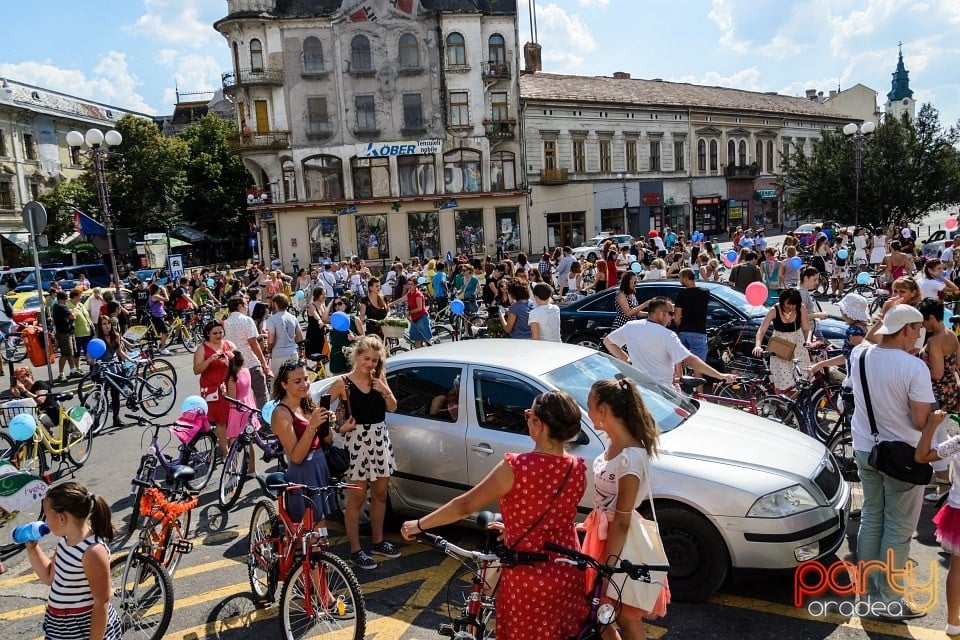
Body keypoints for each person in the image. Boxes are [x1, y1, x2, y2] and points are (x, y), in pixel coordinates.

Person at [400, 390, 588, 640]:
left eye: (528, 414)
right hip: (568, 572)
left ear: (538, 424)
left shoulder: (517, 467)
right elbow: (555, 518)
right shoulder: (577, 469)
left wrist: (419, 524)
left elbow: (464, 506)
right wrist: (515, 528)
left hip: (528, 576)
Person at [849, 305, 939, 620]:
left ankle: (867, 595)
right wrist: (937, 418)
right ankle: (886, 600)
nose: (919, 336)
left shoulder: (858, 355)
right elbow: (919, 421)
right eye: (916, 330)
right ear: (905, 330)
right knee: (898, 529)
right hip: (902, 455)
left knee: (872, 519)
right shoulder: (914, 368)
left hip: (865, 448)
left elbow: (873, 342)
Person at [583, 377, 670, 638]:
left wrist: (608, 567)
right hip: (601, 534)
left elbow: (621, 520)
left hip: (617, 543)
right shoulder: (614, 444)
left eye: (589, 406)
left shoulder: (630, 458)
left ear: (603, 411)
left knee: (623, 614)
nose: (586, 413)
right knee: (601, 611)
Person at [329, 336, 399, 570]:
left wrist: (384, 390)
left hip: (379, 439)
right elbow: (322, 410)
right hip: (357, 441)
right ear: (356, 356)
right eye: (366, 358)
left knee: (380, 494)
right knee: (357, 498)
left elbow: (392, 407)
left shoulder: (379, 379)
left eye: (374, 360)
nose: (369, 364)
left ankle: (378, 541)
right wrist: (339, 427)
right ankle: (355, 550)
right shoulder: (343, 384)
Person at [25, 481, 123, 640]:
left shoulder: (92, 552)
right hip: (61, 626)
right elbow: (50, 577)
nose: (45, 522)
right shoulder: (65, 541)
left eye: (46, 516)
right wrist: (33, 549)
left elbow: (101, 603)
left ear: (62, 518)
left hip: (83, 628)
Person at [603, 297, 735, 388]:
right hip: (662, 391)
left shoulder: (631, 326)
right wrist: (720, 375)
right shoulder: (667, 335)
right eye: (671, 313)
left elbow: (608, 342)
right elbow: (691, 360)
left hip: (640, 388)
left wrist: (626, 360)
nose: (673, 317)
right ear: (660, 313)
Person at [916, 413, 960, 635]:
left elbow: (921, 456)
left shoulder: (958, 443)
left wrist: (931, 425)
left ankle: (953, 622)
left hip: (958, 511)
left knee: (957, 567)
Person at [919, 298, 960, 500]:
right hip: (950, 392)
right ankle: (943, 483)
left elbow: (936, 373)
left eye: (924, 321)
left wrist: (917, 364)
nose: (923, 325)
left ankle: (944, 488)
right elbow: (956, 365)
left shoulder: (934, 341)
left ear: (932, 318)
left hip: (937, 394)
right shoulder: (951, 334)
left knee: (932, 439)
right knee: (941, 436)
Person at [752, 288, 812, 392]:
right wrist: (758, 345)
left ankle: (792, 406)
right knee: (783, 383)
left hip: (798, 346)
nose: (791, 307)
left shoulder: (800, 308)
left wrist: (808, 341)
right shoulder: (774, 310)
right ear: (782, 301)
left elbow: (807, 329)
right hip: (780, 347)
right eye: (788, 305)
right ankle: (781, 405)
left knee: (800, 382)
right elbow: (761, 331)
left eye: (794, 305)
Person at [193, 319, 235, 457]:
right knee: (220, 422)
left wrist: (229, 363)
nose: (218, 335)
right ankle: (225, 452)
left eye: (220, 332)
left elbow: (239, 365)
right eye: (215, 333)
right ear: (208, 334)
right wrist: (209, 360)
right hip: (213, 391)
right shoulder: (202, 349)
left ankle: (230, 444)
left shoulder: (229, 345)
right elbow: (197, 370)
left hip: (229, 388)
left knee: (231, 419)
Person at [223, 295, 271, 408]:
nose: (247, 308)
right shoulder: (246, 320)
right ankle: (265, 422)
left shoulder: (225, 323)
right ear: (239, 306)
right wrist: (264, 363)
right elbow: (253, 344)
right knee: (261, 396)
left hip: (235, 366)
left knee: (241, 398)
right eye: (245, 305)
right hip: (250, 363)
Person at [94, 314, 136, 431]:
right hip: (102, 368)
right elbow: (91, 352)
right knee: (100, 395)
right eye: (104, 324)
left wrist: (130, 359)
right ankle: (96, 421)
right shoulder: (97, 338)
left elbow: (119, 351)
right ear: (100, 326)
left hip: (114, 367)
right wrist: (90, 359)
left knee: (115, 394)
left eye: (108, 324)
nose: (107, 326)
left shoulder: (115, 336)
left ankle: (116, 418)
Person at [674, 268, 710, 360]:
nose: (680, 281)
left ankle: (680, 374)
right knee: (698, 364)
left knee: (680, 361)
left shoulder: (681, 295)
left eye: (680, 278)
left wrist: (679, 326)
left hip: (684, 332)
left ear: (685, 279)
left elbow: (677, 319)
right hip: (699, 332)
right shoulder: (705, 292)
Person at [266, 293, 303, 376]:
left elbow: (271, 340)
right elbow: (299, 338)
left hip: (279, 354)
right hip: (293, 352)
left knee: (277, 382)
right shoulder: (293, 318)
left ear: (275, 303)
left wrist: (268, 350)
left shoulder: (272, 319)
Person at [325, 296, 363, 375]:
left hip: (352, 353)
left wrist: (354, 337)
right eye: (335, 305)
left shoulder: (355, 319)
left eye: (339, 304)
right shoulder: (334, 319)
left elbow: (363, 336)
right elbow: (324, 318)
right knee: (338, 380)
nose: (337, 306)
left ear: (346, 305)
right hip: (337, 354)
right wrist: (330, 303)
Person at [51, 291, 79, 382]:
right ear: (65, 299)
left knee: (70, 353)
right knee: (64, 354)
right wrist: (74, 313)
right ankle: (61, 374)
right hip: (64, 334)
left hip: (65, 332)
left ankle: (73, 370)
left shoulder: (56, 307)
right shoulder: (62, 307)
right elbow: (72, 317)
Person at [69, 288, 93, 368]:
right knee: (77, 353)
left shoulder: (80, 305)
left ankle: (92, 367)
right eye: (80, 296)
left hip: (87, 332)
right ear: (75, 297)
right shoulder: (68, 305)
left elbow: (87, 316)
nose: (81, 297)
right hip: (77, 334)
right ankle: (78, 368)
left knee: (89, 351)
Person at [405, 277, 431, 349]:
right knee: (416, 339)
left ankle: (431, 355)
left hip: (421, 317)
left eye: (411, 284)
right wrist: (389, 304)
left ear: (415, 285)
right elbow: (401, 299)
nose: (409, 286)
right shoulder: (409, 294)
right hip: (414, 318)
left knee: (426, 339)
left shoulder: (418, 294)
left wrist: (409, 312)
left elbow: (420, 308)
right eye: (408, 284)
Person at [148, 284, 173, 356]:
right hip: (157, 317)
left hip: (160, 316)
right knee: (166, 332)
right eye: (159, 288)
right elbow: (167, 299)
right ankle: (163, 349)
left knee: (163, 332)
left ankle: (161, 347)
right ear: (156, 289)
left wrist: (165, 291)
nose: (160, 289)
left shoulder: (156, 296)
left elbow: (167, 296)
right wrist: (164, 290)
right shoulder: (155, 296)